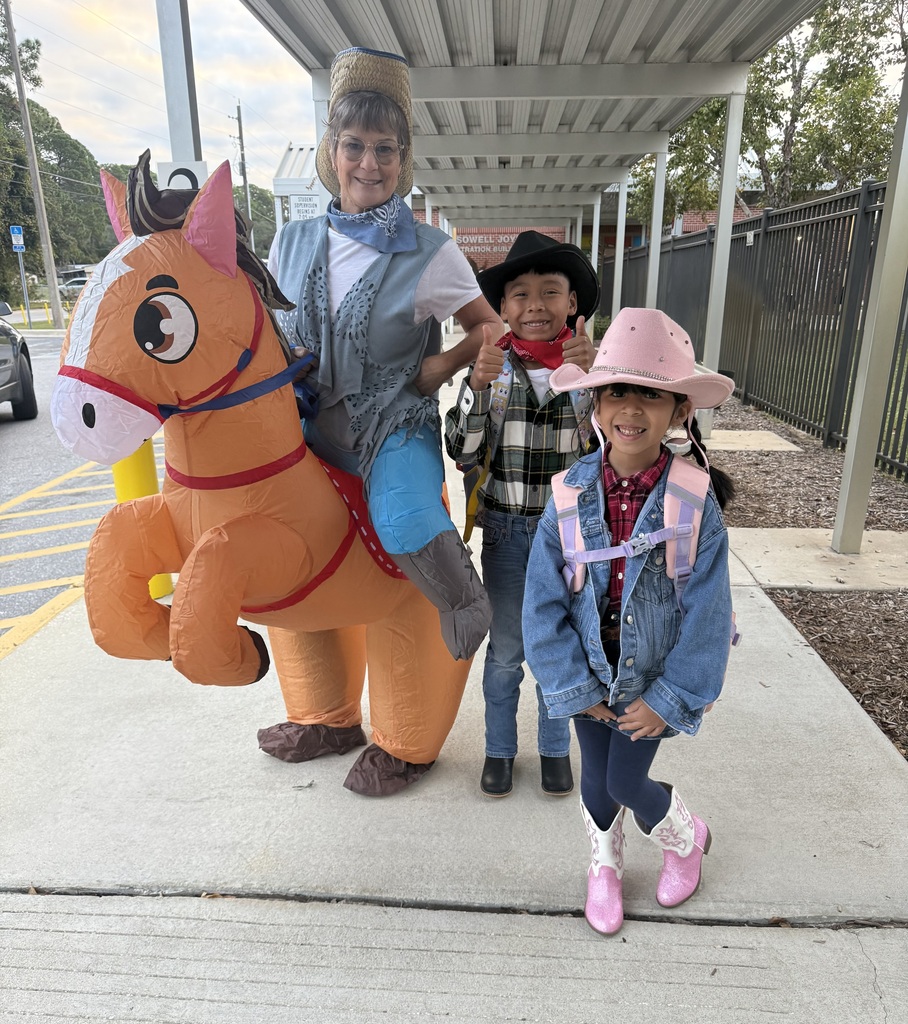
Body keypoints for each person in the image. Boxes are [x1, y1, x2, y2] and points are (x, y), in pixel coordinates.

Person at [259, 46, 505, 796]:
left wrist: (455, 362)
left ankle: (465, 601)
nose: (370, 163)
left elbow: (487, 326)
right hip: (306, 423)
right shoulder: (290, 240)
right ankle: (325, 713)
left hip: (392, 425)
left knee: (401, 518)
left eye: (386, 150)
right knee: (271, 536)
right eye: (355, 146)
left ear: (404, 159)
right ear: (334, 153)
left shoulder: (432, 253)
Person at [522, 307, 735, 935]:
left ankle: (683, 837)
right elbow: (542, 603)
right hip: (591, 669)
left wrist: (672, 699)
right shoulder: (566, 495)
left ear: (679, 411)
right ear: (595, 401)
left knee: (623, 777)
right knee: (596, 779)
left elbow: (709, 612)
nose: (632, 409)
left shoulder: (693, 501)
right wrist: (572, 686)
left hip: (654, 673)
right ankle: (605, 865)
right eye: (617, 390)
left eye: (652, 393)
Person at [444, 231, 600, 799]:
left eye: (550, 292)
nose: (535, 304)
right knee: (508, 649)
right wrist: (477, 389)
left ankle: (555, 749)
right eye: (520, 294)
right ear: (503, 308)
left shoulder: (594, 373)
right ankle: (500, 750)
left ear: (572, 304)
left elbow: (610, 456)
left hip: (571, 537)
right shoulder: (492, 368)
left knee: (560, 646)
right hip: (508, 533)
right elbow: (462, 450)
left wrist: (594, 383)